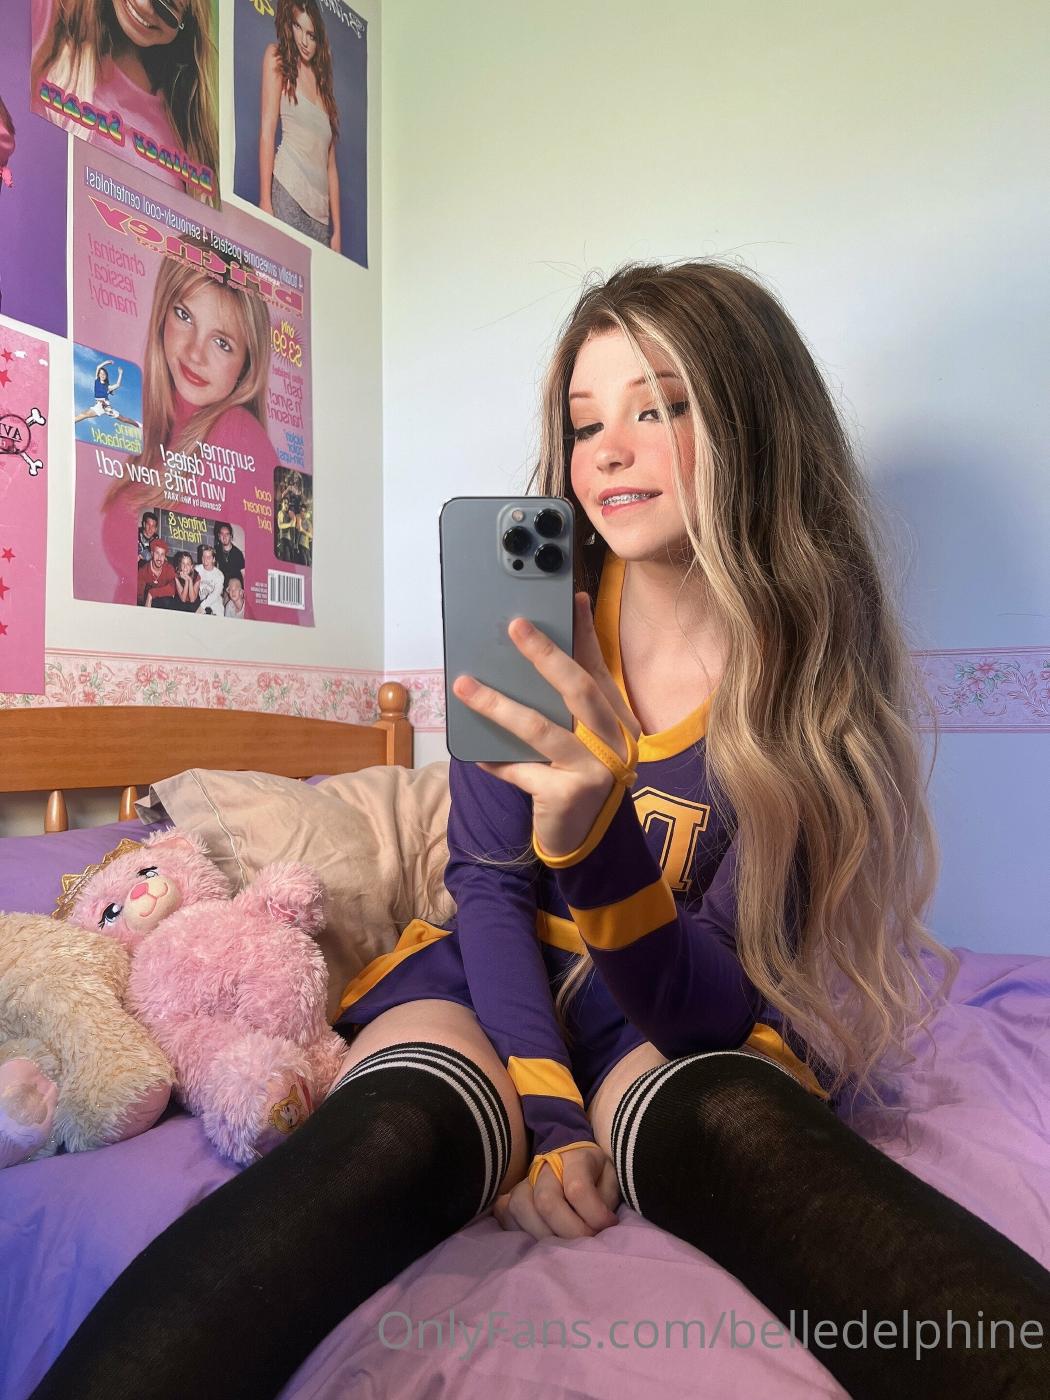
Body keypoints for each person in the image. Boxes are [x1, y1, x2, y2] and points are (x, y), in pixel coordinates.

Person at [29, 262, 1050, 1400]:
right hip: (486, 980)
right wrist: (549, 1115)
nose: (608, 450)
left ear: (756, 428)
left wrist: (597, 835)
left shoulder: (799, 687)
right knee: (389, 1134)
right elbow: (490, 887)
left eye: (660, 407)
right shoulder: (526, 622)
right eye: (584, 422)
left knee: (738, 1124)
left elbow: (709, 1005)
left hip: (666, 1013)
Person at [97, 251, 275, 608]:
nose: (195, 353)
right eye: (184, 315)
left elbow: (276, 615)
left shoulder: (239, 436)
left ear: (246, 365)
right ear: (163, 312)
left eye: (222, 343)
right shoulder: (155, 425)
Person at [30, 0, 219, 204]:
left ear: (185, 24)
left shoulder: (186, 130)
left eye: (166, 6)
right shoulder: (50, 15)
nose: (143, 6)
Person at [258, 0, 341, 251]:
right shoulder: (277, 58)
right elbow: (267, 131)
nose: (304, 41)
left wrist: (336, 231)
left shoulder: (324, 87)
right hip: (288, 194)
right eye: (298, 27)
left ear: (319, 40)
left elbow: (331, 167)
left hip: (320, 218)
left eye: (311, 35)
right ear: (289, 26)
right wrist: (265, 202)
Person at [74, 359, 141, 428]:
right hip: (99, 406)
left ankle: (138, 424)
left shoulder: (108, 387)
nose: (102, 375)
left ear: (106, 376)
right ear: (98, 375)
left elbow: (117, 385)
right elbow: (98, 367)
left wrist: (120, 374)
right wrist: (107, 362)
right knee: (84, 414)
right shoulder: (97, 381)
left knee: (123, 419)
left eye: (104, 374)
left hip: (106, 406)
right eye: (101, 373)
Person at [136, 536, 174, 607]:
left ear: (165, 557)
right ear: (152, 553)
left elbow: (173, 588)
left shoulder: (169, 569)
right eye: (157, 553)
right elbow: (139, 596)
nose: (159, 558)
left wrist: (152, 593)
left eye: (162, 554)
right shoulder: (143, 571)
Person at [213, 522, 246, 587]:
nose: (224, 537)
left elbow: (244, 574)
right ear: (219, 536)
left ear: (230, 536)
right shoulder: (216, 550)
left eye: (227, 534)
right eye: (222, 534)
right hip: (222, 587)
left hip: (235, 587)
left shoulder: (238, 553)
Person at [194, 544, 223, 616]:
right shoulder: (197, 569)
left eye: (208, 557)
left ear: (213, 559)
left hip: (215, 603)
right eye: (203, 556)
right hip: (201, 601)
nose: (205, 559)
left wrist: (202, 606)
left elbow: (215, 594)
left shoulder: (219, 575)